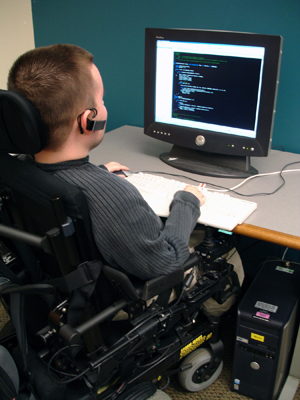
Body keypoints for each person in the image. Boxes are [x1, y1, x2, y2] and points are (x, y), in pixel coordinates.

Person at [7, 44, 206, 281]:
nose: (104, 106)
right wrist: (187, 203)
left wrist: (96, 176)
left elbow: (64, 185)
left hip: (54, 284)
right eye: (102, 100)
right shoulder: (115, 195)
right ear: (87, 120)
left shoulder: (18, 167)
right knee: (227, 251)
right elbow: (165, 261)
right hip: (129, 298)